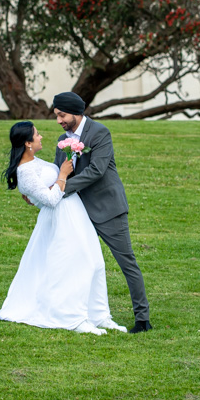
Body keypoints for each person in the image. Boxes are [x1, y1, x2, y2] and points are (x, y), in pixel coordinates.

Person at [0, 121, 127, 335]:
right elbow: (49, 200)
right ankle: (74, 318)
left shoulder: (35, 161)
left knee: (95, 262)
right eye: (37, 135)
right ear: (28, 143)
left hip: (76, 212)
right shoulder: (25, 171)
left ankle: (99, 315)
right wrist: (63, 175)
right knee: (74, 265)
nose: (41, 137)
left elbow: (42, 193)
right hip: (60, 219)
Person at [51, 91, 153, 334]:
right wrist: (42, 189)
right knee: (77, 264)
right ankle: (78, 315)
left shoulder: (99, 133)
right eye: (56, 116)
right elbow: (59, 172)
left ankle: (143, 319)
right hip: (78, 213)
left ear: (76, 112)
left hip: (109, 210)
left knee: (126, 262)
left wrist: (61, 187)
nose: (59, 121)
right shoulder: (62, 139)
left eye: (62, 115)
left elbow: (96, 171)